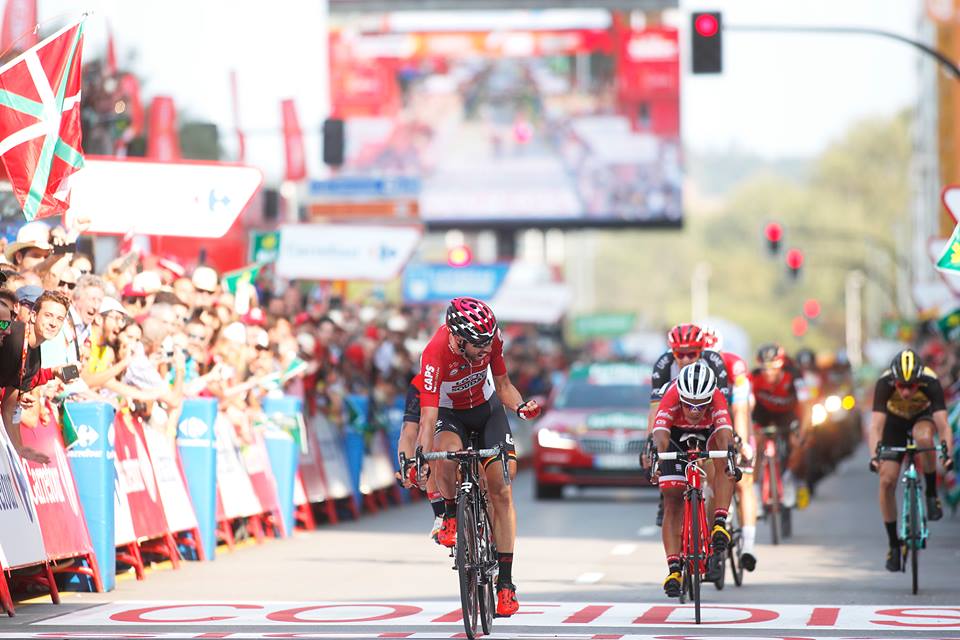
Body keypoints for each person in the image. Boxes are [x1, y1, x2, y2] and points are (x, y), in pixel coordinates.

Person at [414, 297, 540, 618]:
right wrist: (422, 456)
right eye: (478, 344)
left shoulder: (491, 339)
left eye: (488, 342)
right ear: (458, 338)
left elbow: (504, 385)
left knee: (502, 488)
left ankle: (506, 585)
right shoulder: (434, 353)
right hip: (450, 415)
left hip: (487, 412)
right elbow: (428, 418)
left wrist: (520, 407)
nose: (486, 349)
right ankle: (451, 515)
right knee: (446, 457)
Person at [651, 361, 737, 598]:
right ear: (681, 396)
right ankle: (674, 570)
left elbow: (724, 433)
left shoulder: (717, 397)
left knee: (725, 462)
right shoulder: (672, 393)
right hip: (675, 436)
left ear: (710, 397)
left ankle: (719, 522)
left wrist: (730, 456)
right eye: (689, 404)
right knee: (672, 499)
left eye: (702, 405)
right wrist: (657, 457)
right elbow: (661, 434)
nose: (695, 411)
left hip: (708, 433)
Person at [868, 349, 954, 572]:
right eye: (901, 386)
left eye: (911, 386)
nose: (906, 392)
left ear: (919, 381)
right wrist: (874, 457)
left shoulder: (930, 381)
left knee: (923, 437)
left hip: (922, 418)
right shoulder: (884, 383)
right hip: (894, 424)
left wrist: (947, 455)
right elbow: (876, 426)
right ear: (894, 381)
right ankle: (893, 545)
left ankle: (931, 493)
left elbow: (943, 426)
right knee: (887, 480)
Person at [646, 323, 730, 527]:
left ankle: (716, 521)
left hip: (707, 419)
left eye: (691, 354)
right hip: (675, 418)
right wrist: (651, 446)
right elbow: (656, 412)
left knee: (717, 466)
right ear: (672, 352)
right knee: (662, 453)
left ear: (701, 350)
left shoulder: (714, 361)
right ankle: (667, 498)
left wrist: (732, 441)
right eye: (679, 354)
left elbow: (723, 408)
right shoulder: (664, 364)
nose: (685, 359)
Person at [702, 325, 758, 572]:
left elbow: (740, 410)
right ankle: (711, 541)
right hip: (708, 424)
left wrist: (742, 443)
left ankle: (748, 546)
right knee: (711, 479)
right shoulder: (691, 369)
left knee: (744, 482)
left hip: (734, 419)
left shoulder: (734, 366)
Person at [0, 290, 72, 464]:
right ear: (33, 316)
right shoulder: (11, 336)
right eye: (48, 315)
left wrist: (19, 448)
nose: (53, 323)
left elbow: (9, 408)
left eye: (59, 319)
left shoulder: (35, 358)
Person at [749, 343, 812, 509]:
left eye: (773, 367)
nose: (768, 372)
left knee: (797, 443)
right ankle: (755, 490)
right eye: (764, 368)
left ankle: (789, 477)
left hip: (788, 414)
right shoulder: (754, 377)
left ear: (781, 364)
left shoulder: (794, 376)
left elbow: (806, 405)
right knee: (755, 443)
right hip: (763, 414)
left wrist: (803, 430)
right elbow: (746, 407)